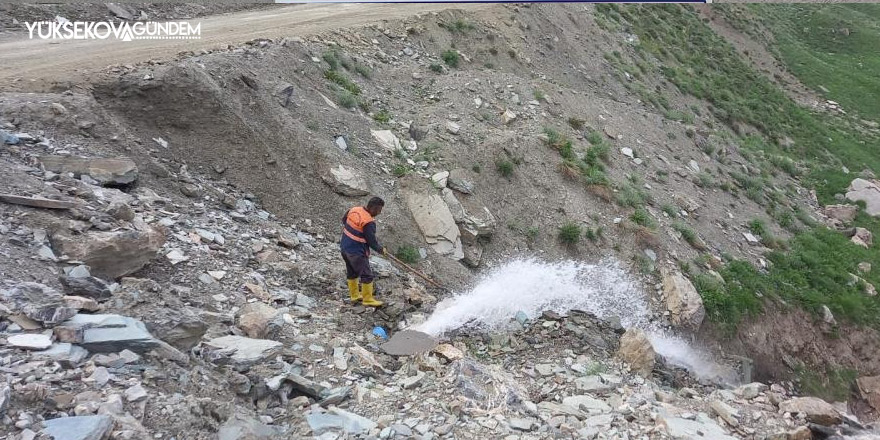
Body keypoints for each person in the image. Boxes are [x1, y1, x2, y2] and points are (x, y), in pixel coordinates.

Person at [340, 197, 387, 307]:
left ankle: (355, 296)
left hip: (345, 248)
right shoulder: (368, 221)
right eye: (379, 210)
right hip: (356, 252)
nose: (379, 213)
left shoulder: (354, 210)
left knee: (352, 273)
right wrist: (381, 249)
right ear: (374, 208)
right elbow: (372, 242)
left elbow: (344, 220)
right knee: (367, 275)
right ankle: (368, 299)